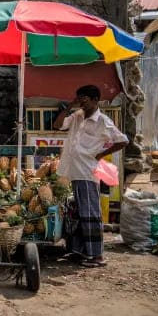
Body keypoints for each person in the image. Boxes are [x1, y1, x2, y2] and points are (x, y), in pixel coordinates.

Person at [53, 85, 128, 268]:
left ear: (95, 100)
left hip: (87, 171)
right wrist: (70, 105)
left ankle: (97, 255)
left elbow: (123, 140)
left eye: (85, 99)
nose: (82, 103)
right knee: (77, 213)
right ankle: (79, 251)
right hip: (72, 171)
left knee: (90, 214)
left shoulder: (102, 120)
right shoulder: (77, 116)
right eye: (80, 99)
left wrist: (101, 154)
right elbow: (57, 125)